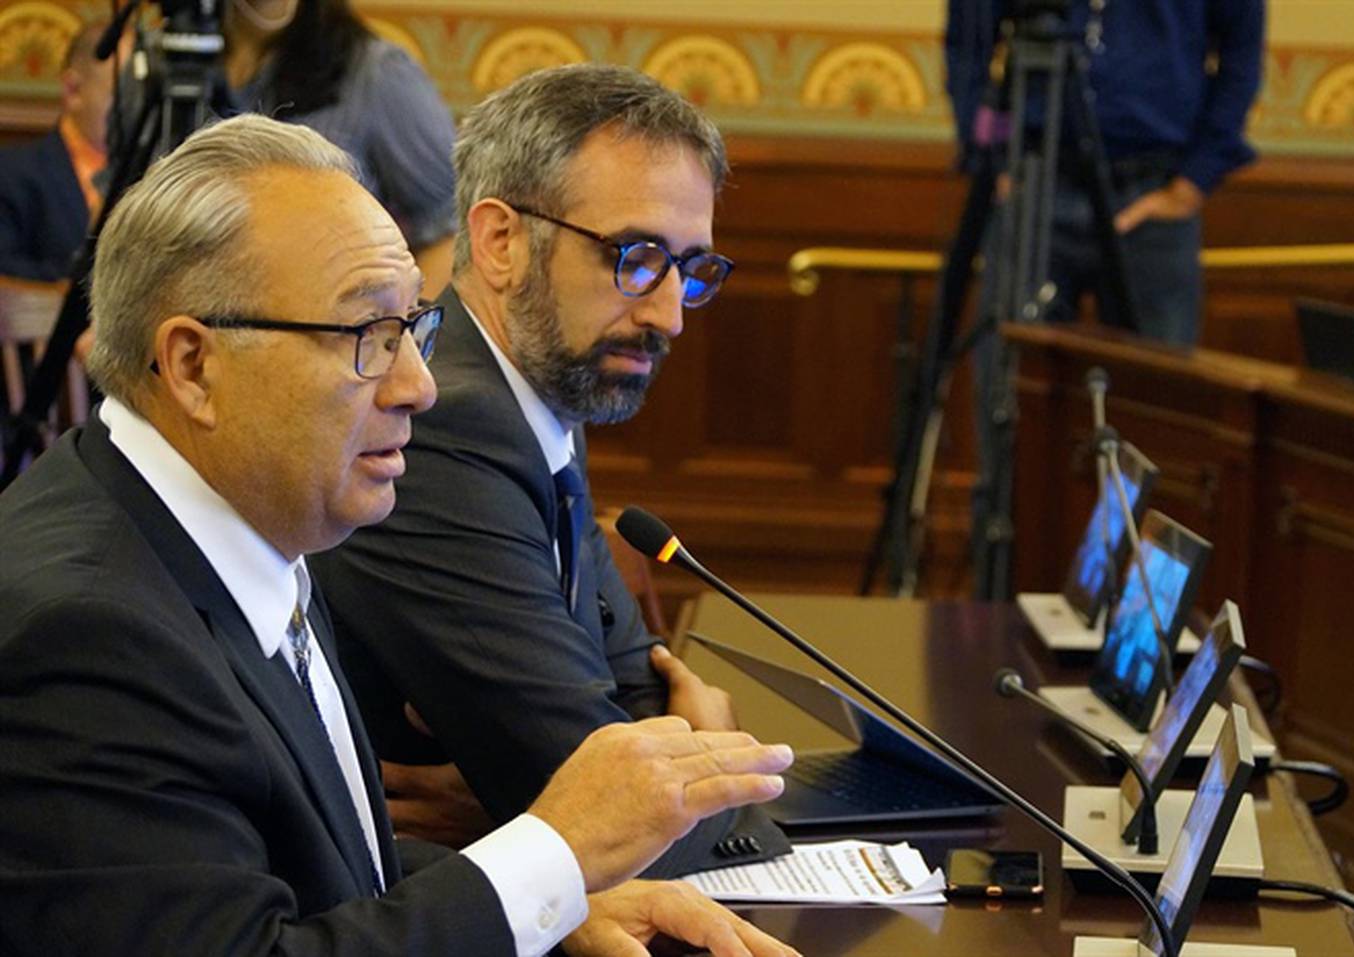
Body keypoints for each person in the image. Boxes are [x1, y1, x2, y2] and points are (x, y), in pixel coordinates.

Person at [0, 113, 799, 957]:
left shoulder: (237, 524)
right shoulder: (90, 635)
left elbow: (295, 876)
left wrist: (558, 903)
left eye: (413, 329)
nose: (419, 386)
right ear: (195, 366)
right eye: (369, 338)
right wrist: (552, 854)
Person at [310, 64, 787, 875]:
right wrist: (710, 749)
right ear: (502, 241)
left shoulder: (537, 389)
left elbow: (631, 695)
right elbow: (616, 810)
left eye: (693, 270)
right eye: (636, 258)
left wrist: (552, 796)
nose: (669, 314)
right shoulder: (446, 427)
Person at [946, 0, 1265, 346]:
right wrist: (991, 160)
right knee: (1012, 373)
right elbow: (969, 43)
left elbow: (1242, 56)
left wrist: (1193, 182)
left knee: (1155, 384)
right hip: (1036, 181)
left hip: (1152, 188)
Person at [223, 0, 456, 298]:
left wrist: (399, 332)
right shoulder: (159, 67)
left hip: (337, 326)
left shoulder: (377, 73)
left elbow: (450, 230)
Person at [0, 22, 117, 281]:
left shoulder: (158, 173)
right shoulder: (11, 175)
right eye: (122, 93)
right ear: (73, 90)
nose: (135, 109)